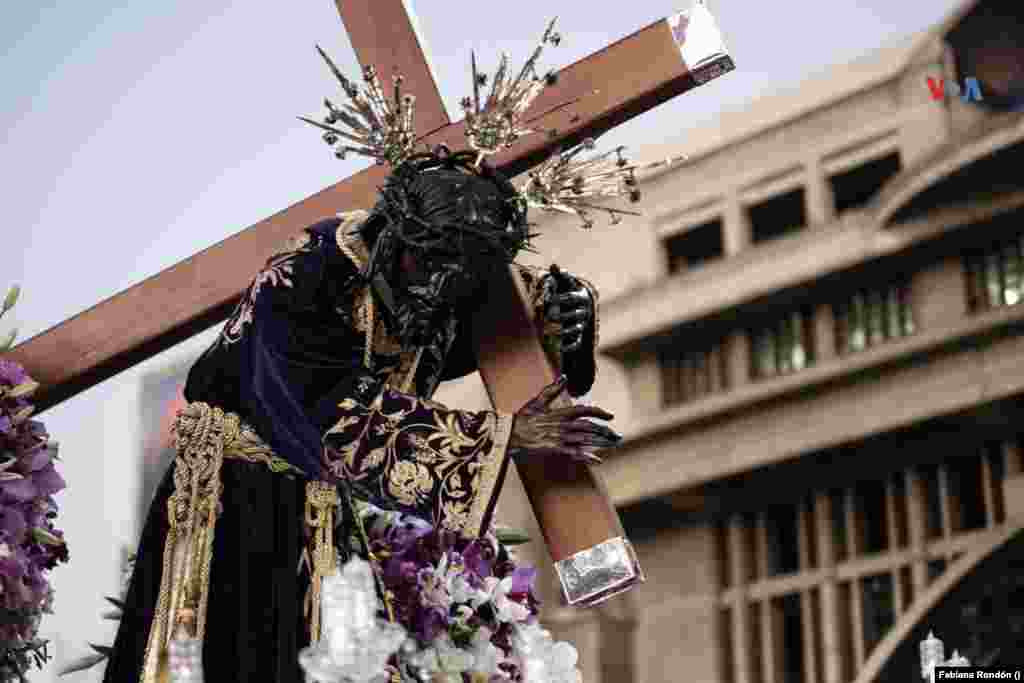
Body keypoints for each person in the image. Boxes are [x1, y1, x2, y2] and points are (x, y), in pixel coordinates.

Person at [101, 148, 622, 683]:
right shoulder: (306, 274)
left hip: (341, 518)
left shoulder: (442, 283)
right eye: (427, 263)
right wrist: (502, 440)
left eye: (459, 279)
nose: (435, 291)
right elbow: (327, 417)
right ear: (389, 231)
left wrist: (564, 313)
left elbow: (508, 321)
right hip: (242, 504)